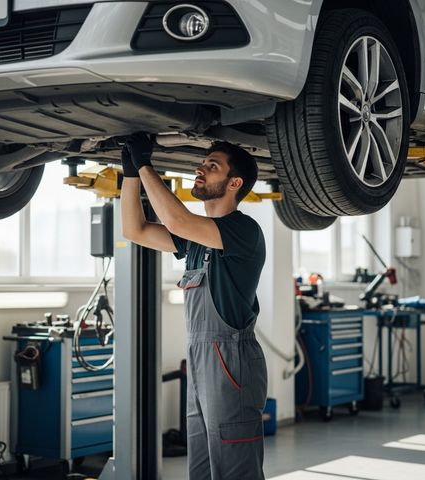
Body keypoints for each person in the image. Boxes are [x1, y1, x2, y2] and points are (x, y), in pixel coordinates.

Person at [120, 133, 267, 480]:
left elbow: (176, 221)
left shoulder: (244, 230)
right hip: (202, 364)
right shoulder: (195, 239)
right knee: (200, 467)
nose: (200, 170)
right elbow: (134, 230)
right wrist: (129, 174)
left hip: (232, 365)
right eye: (202, 164)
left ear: (234, 183)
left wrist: (144, 164)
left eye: (211, 166)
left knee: (235, 470)